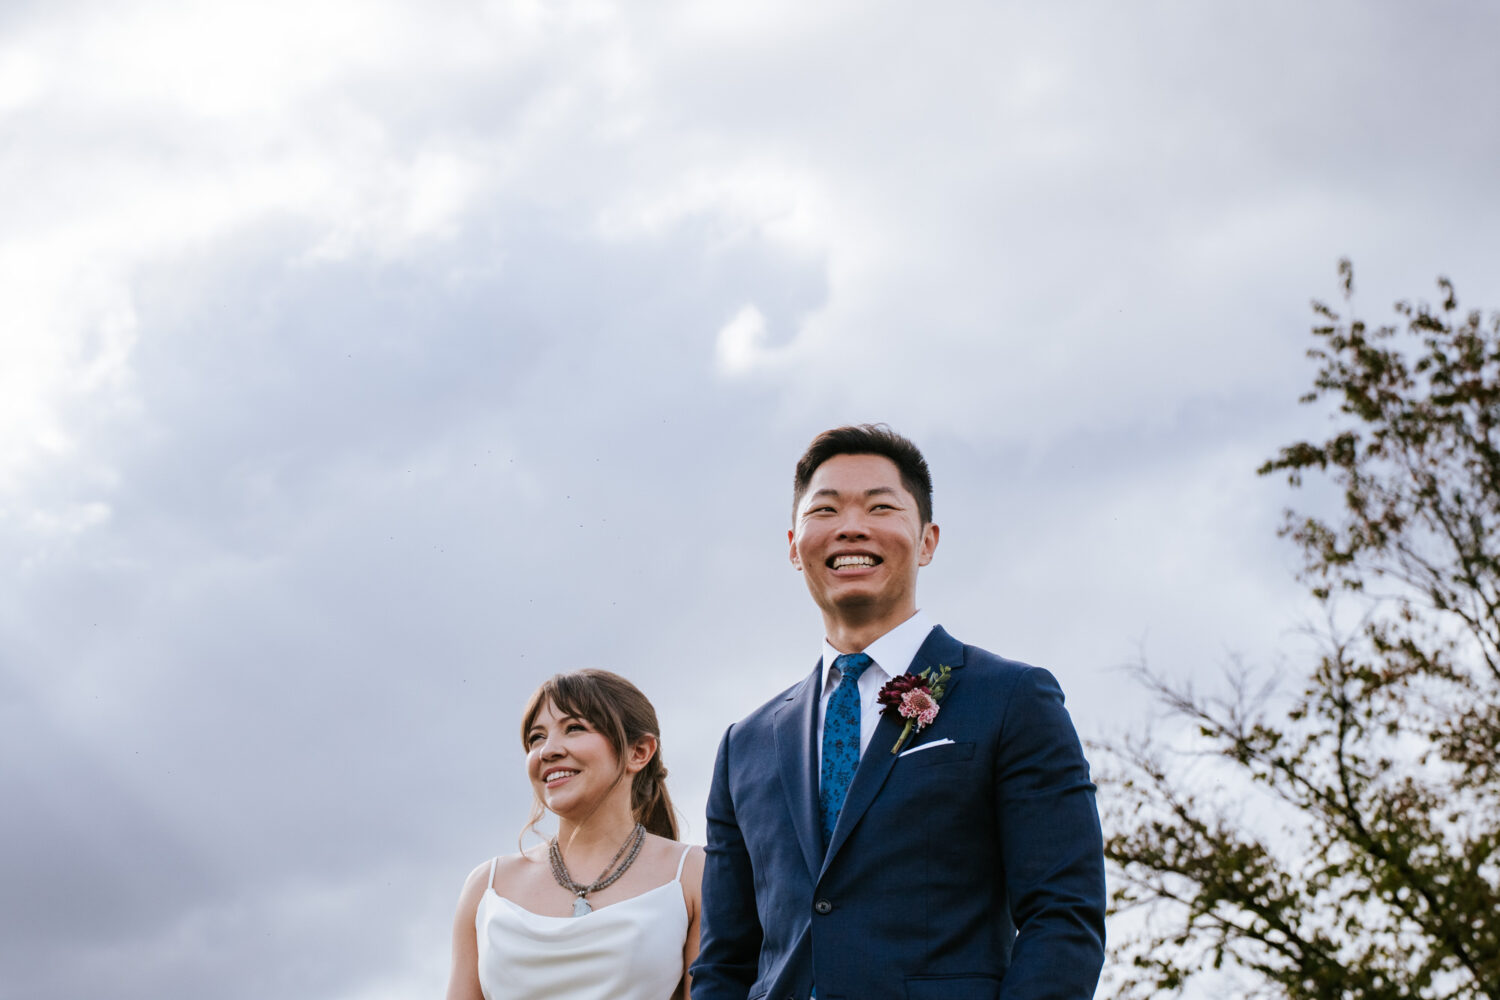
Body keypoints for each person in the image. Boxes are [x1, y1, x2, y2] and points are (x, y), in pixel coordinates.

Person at [692, 424, 1106, 1000]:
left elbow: (1063, 915)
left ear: (928, 540)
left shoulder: (1012, 699)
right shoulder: (746, 744)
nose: (851, 526)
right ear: (793, 545)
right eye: (826, 509)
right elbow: (724, 961)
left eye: (881, 506)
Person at [446, 669, 704, 1000]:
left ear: (639, 752)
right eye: (536, 737)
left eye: (574, 728)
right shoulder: (486, 886)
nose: (548, 750)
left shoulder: (694, 874)